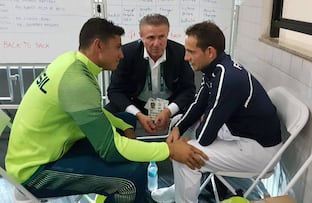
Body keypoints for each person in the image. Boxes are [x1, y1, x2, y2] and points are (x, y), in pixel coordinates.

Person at [5, 17, 208, 203]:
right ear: (99, 46)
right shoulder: (77, 82)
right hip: (34, 172)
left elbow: (98, 112)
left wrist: (123, 125)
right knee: (128, 182)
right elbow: (110, 149)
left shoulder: (71, 62)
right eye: (117, 47)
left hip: (53, 148)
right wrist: (170, 150)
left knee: (125, 125)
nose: (121, 54)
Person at [152, 21, 283, 203]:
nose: (186, 57)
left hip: (259, 151)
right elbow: (199, 102)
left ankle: (183, 199)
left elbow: (205, 137)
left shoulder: (227, 78)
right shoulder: (217, 67)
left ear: (210, 52)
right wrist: (178, 129)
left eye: (191, 52)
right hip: (241, 133)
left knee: (186, 155)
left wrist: (188, 141)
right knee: (181, 126)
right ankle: (177, 192)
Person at [104, 13, 196, 136]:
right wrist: (137, 114)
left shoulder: (180, 52)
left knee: (196, 109)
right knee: (107, 114)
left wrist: (169, 111)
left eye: (161, 37)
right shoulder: (126, 53)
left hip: (170, 104)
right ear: (141, 37)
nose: (156, 43)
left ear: (167, 34)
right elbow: (114, 91)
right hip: (136, 103)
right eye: (151, 38)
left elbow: (188, 89)